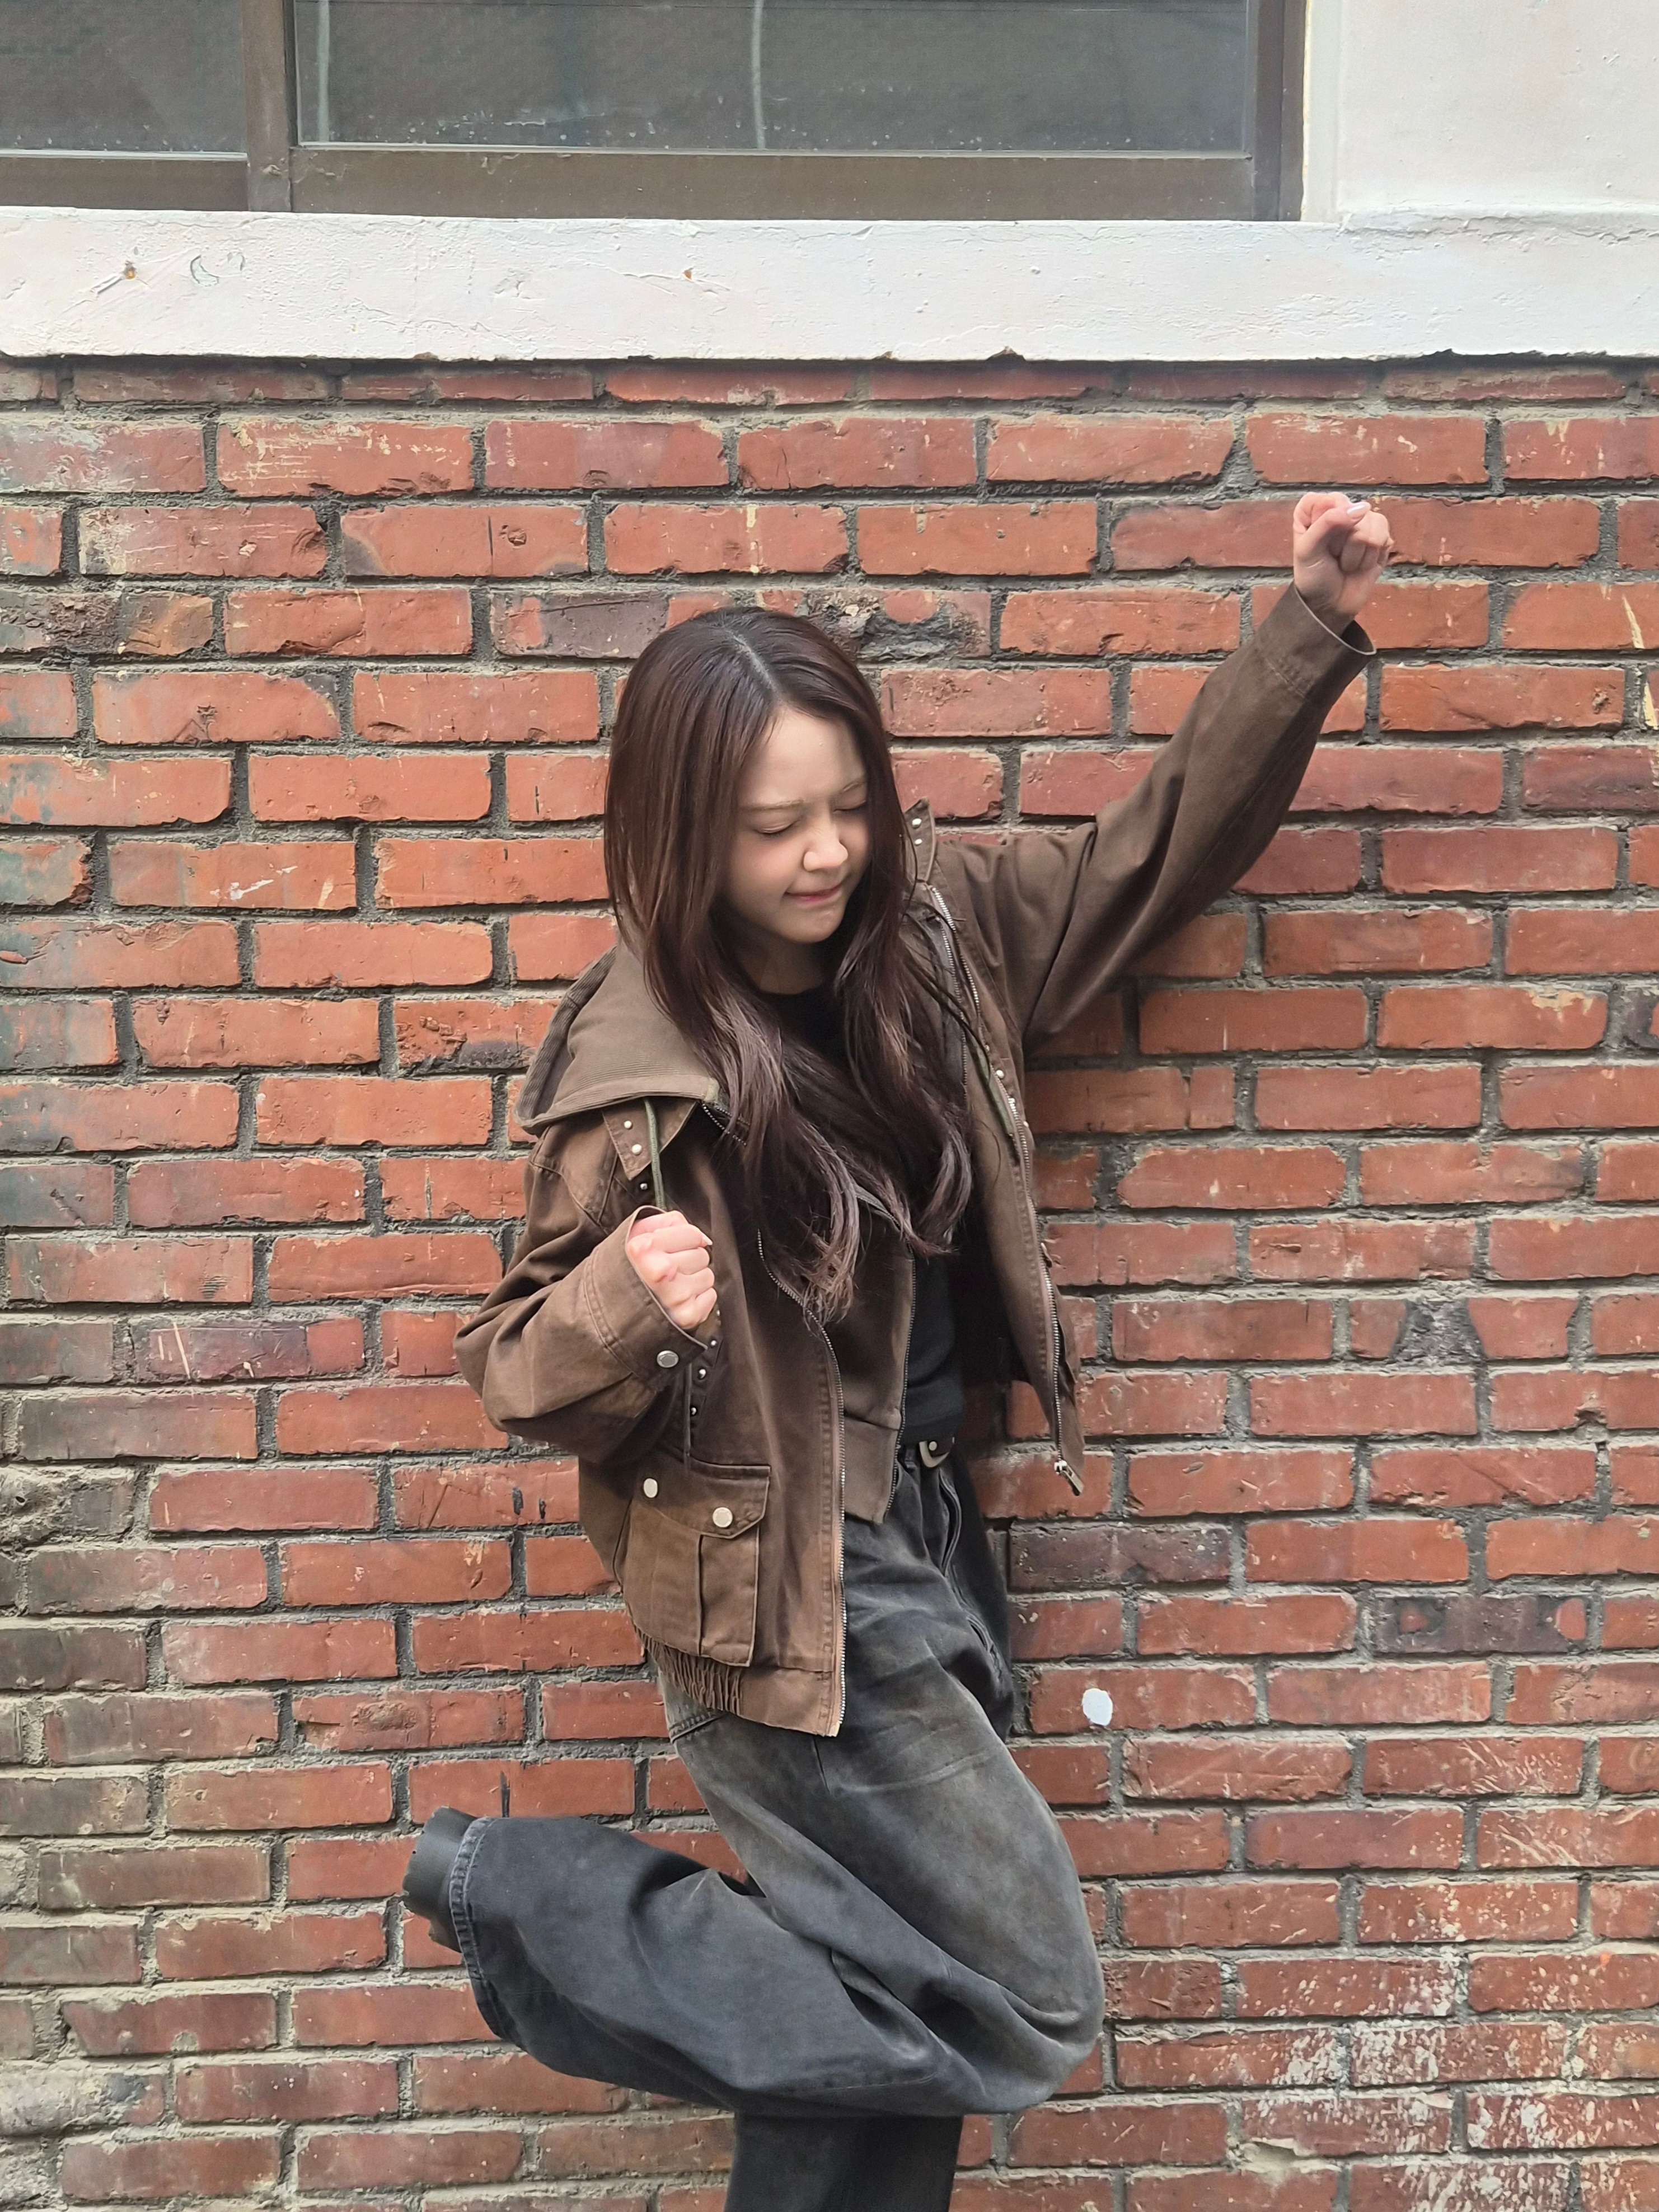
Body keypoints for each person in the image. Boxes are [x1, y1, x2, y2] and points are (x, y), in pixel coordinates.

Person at [405, 491, 1393, 2211]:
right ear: (683, 835)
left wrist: (1303, 627)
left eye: (847, 804)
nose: (824, 853)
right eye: (772, 825)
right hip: (788, 1575)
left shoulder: (938, 940)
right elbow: (515, 1371)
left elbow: (1149, 857)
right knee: (1021, 1993)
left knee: (879, 2031)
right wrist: (622, 1301)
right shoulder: (637, 1068)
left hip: (933, 1532)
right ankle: (528, 1895)